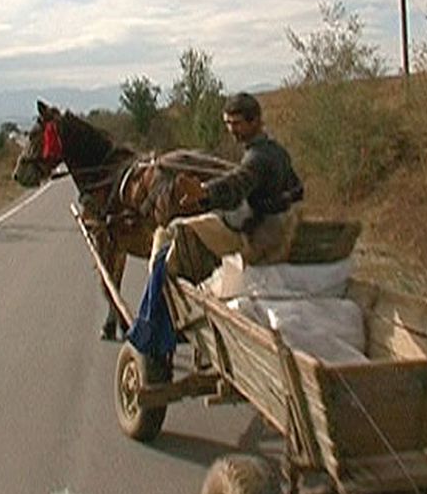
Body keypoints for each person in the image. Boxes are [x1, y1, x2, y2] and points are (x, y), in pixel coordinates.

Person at [126, 93, 304, 351]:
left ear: (255, 121)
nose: (232, 131)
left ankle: (151, 326)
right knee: (194, 226)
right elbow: (297, 190)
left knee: (167, 236)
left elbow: (237, 183)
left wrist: (204, 192)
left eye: (237, 124)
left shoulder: (257, 158)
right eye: (228, 124)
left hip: (253, 236)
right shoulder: (277, 152)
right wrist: (274, 204)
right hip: (270, 228)